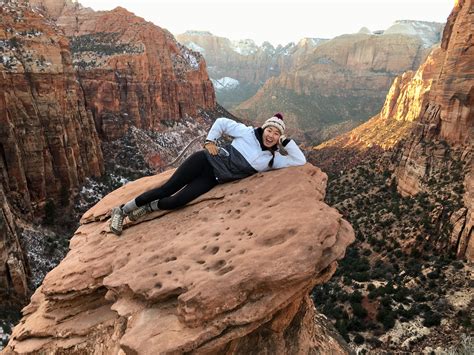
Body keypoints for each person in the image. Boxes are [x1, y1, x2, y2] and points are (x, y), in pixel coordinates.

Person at [109, 113, 306, 235]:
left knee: (178, 201)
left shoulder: (272, 159)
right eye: (269, 130)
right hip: (204, 161)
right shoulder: (247, 133)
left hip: (213, 178)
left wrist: (286, 142)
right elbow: (221, 122)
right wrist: (210, 141)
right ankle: (122, 210)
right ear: (264, 128)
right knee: (168, 188)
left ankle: (149, 208)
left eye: (276, 134)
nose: (271, 136)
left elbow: (299, 160)